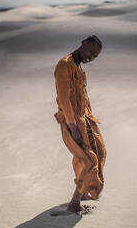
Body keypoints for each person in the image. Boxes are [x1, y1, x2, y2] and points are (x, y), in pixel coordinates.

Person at [54, 35, 107, 213]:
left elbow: (83, 96)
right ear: (83, 44)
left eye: (95, 56)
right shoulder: (64, 64)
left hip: (85, 118)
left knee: (100, 152)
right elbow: (63, 98)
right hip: (72, 121)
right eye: (90, 51)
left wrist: (90, 119)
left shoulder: (81, 69)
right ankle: (74, 201)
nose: (91, 57)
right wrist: (72, 126)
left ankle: (85, 192)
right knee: (87, 159)